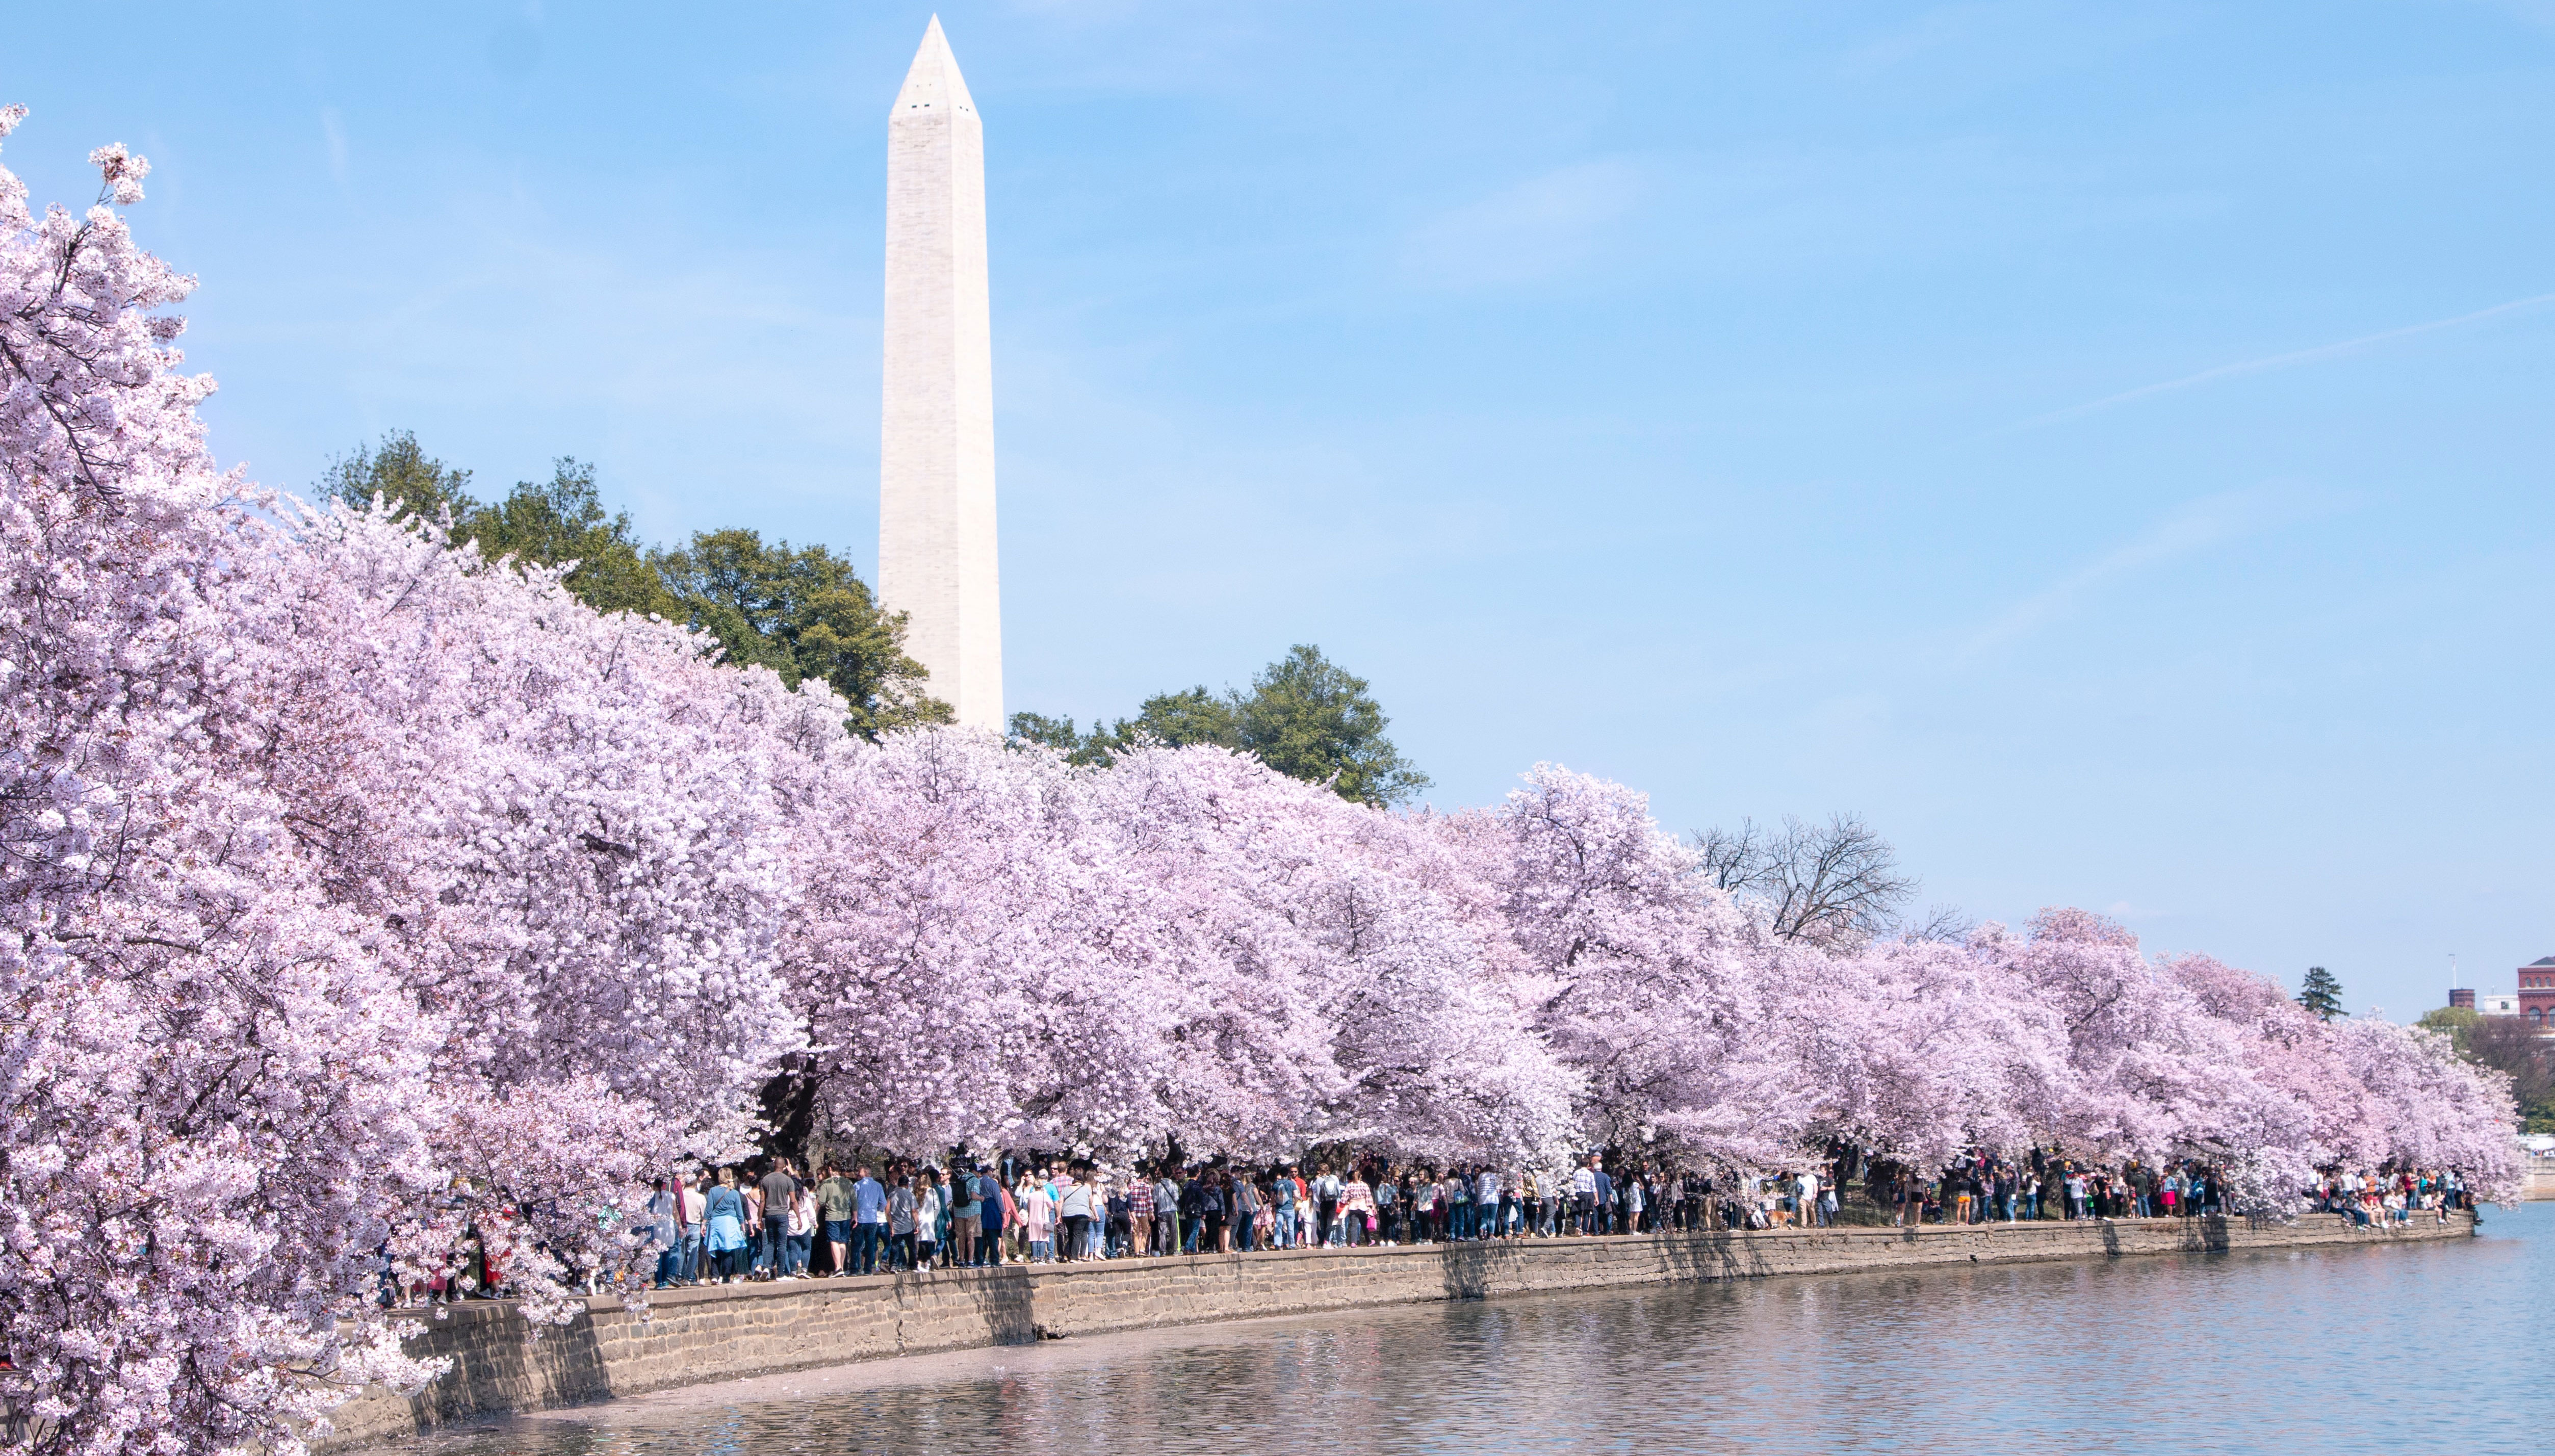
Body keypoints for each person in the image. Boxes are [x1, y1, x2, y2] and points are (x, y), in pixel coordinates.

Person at [756, 1159, 798, 1281]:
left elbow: (762, 1201)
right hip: (782, 1215)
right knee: (782, 1244)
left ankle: (766, 1268)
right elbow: (794, 1201)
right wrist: (799, 1218)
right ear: (785, 1167)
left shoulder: (765, 1180)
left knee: (770, 1243)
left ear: (774, 1165)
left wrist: (760, 1219)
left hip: (769, 1215)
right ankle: (780, 1273)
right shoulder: (788, 1180)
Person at [705, 1168, 749, 1283]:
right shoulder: (734, 1193)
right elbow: (739, 1212)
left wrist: (704, 1223)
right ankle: (726, 1276)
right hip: (730, 1223)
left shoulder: (713, 1191)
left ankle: (714, 1275)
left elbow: (709, 1209)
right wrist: (743, 1226)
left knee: (716, 1248)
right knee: (729, 1250)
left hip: (717, 1222)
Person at [817, 1163, 856, 1276]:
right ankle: (842, 1267)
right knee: (843, 1242)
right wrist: (855, 1216)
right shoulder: (848, 1182)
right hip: (846, 1215)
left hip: (832, 1216)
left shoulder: (826, 1183)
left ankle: (838, 1267)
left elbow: (821, 1202)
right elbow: (854, 1200)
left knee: (834, 1241)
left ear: (830, 1169)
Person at [851, 1163, 888, 1275]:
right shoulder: (878, 1186)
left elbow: (852, 1201)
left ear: (865, 1172)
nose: (858, 1173)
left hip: (860, 1218)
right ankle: (868, 1269)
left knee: (857, 1245)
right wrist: (876, 1209)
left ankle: (855, 1269)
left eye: (860, 1171)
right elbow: (884, 1203)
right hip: (872, 1219)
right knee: (870, 1245)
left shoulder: (857, 1185)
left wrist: (853, 1213)